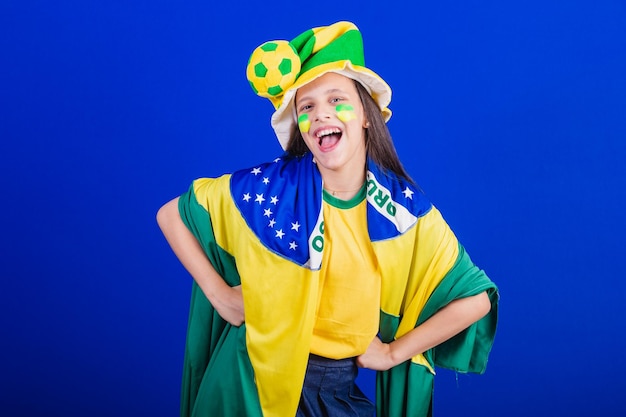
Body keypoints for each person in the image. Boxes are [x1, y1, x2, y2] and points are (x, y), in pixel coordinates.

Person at [157, 21, 499, 417]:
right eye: (307, 107)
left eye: (336, 100)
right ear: (301, 128)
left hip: (335, 389)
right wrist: (222, 298)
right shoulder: (268, 190)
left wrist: (391, 354)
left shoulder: (404, 213)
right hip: (250, 382)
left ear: (367, 115)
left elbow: (475, 300)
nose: (321, 115)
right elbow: (172, 215)